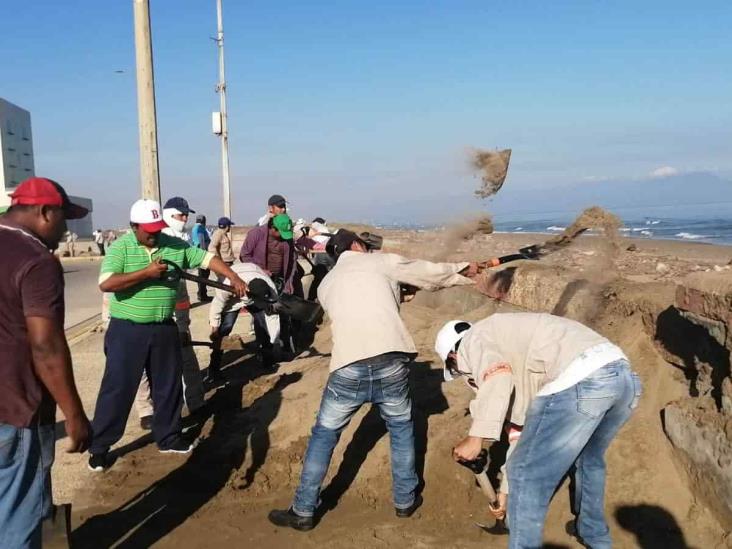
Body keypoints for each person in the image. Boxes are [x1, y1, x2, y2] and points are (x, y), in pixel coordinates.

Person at [268, 229, 480, 531]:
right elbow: (424, 272)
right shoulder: (378, 262)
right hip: (391, 359)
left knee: (325, 435)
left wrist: (396, 292)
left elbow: (359, 304)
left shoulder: (326, 284)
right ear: (356, 245)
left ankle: (303, 509)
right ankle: (405, 501)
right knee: (401, 427)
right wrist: (462, 270)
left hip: (348, 365)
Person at [435, 313, 642, 549]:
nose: (465, 376)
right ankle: (594, 536)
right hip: (622, 377)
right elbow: (522, 434)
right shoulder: (509, 343)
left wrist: (476, 438)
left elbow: (497, 376)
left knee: (526, 476)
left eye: (456, 368)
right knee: (588, 459)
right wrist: (505, 492)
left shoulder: (473, 340)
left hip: (582, 380)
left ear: (453, 355)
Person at [88, 199, 248, 471]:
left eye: (157, 228)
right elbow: (107, 283)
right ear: (134, 227)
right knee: (117, 389)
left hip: (163, 326)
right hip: (128, 330)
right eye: (148, 230)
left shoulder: (173, 245)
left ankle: (169, 436)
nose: (154, 234)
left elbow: (207, 258)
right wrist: (146, 273)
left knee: (168, 385)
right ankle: (100, 447)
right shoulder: (120, 248)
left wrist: (233, 277)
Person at [0, 177, 91, 548]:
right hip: (16, 407)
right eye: (64, 218)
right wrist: (74, 414)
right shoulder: (37, 260)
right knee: (19, 515)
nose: (66, 229)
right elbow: (46, 346)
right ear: (44, 212)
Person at [134, 197, 206, 430]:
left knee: (186, 355)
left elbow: (184, 290)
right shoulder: (148, 243)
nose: (185, 220)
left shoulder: (181, 243)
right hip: (145, 313)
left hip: (176, 309)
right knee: (144, 363)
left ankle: (195, 401)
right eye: (180, 215)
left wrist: (183, 324)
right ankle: (147, 411)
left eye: (187, 216)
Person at [240, 214, 315, 354]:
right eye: (280, 233)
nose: (283, 238)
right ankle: (265, 350)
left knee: (284, 313)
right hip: (260, 282)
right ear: (272, 228)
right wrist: (260, 270)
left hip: (280, 281)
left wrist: (290, 281)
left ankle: (285, 346)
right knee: (263, 315)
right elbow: (244, 255)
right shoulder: (255, 234)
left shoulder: (286, 239)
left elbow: (292, 262)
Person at [208, 262, 281, 379]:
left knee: (263, 325)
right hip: (233, 298)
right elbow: (217, 306)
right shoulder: (227, 285)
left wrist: (275, 341)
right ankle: (213, 369)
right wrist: (214, 329)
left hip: (253, 291)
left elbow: (272, 316)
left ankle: (268, 359)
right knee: (224, 329)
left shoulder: (270, 288)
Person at [191, 214, 212, 302]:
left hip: (197, 253)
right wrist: (204, 255)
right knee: (204, 275)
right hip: (202, 255)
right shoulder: (200, 228)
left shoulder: (194, 228)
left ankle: (202, 293)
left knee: (202, 274)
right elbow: (201, 241)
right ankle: (202, 294)